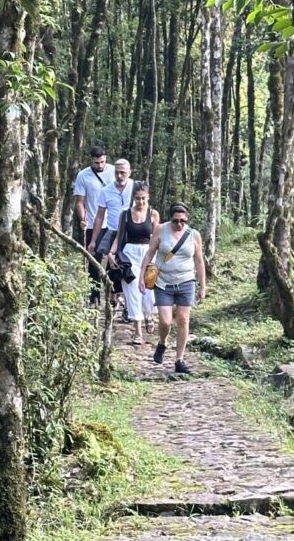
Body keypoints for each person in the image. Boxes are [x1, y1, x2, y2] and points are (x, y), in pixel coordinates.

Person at [140, 202, 206, 374]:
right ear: (171, 219)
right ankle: (162, 342)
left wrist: (202, 285)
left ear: (187, 219)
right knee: (166, 321)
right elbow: (150, 253)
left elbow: (199, 261)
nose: (179, 224)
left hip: (186, 281)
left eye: (182, 221)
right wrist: (142, 276)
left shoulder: (194, 235)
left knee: (184, 319)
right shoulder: (161, 230)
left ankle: (179, 359)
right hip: (163, 282)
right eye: (176, 221)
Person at [108, 182, 160, 345]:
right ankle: (137, 331)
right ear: (133, 198)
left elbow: (157, 237)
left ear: (148, 197)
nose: (141, 202)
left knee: (149, 290)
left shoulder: (153, 214)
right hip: (130, 253)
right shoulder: (125, 215)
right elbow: (119, 236)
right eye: (137, 199)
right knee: (132, 290)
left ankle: (148, 314)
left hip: (149, 252)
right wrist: (111, 253)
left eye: (143, 198)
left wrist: (162, 256)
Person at [73, 146, 115, 305]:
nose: (100, 165)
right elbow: (80, 202)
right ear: (92, 160)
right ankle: (94, 296)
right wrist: (82, 218)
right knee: (94, 260)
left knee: (114, 259)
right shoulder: (83, 175)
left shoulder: (113, 172)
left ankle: (113, 294)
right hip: (93, 224)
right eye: (97, 162)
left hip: (112, 223)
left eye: (102, 162)